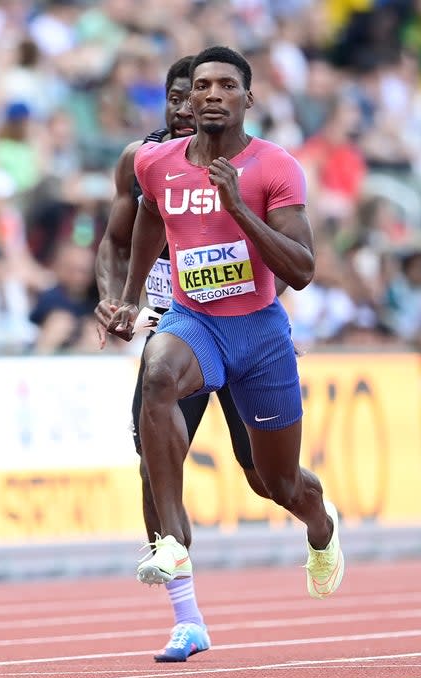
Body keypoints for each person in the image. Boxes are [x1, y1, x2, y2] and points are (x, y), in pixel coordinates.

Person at [108, 46, 344, 622]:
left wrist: (239, 206)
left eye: (227, 86)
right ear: (188, 98)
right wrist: (127, 300)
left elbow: (304, 270)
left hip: (260, 332)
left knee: (276, 482)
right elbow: (145, 224)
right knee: (159, 373)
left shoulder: (274, 166)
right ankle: (172, 539)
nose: (213, 94)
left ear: (247, 98)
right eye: (203, 86)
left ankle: (321, 524)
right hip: (193, 321)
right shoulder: (155, 163)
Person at [95, 55, 279, 663]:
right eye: (178, 98)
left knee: (262, 476)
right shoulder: (142, 163)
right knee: (154, 460)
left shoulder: (245, 165)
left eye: (196, 95)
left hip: (242, 328)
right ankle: (185, 615)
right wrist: (116, 301)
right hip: (179, 328)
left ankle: (302, 501)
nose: (187, 108)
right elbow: (116, 243)